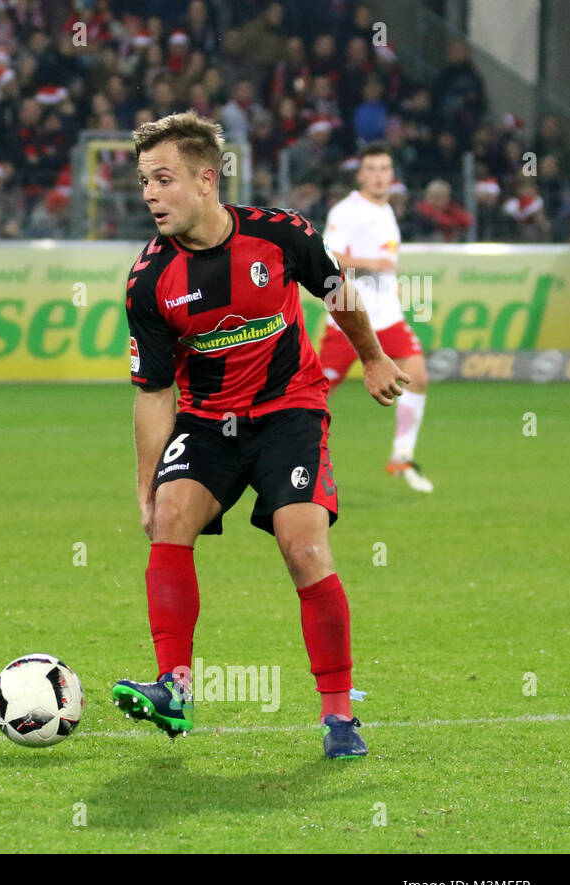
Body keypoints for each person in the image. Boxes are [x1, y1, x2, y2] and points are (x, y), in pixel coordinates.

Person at [113, 112, 409, 759]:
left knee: (302, 548)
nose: (149, 196)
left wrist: (374, 356)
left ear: (205, 180)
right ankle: (174, 689)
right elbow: (154, 392)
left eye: (162, 180)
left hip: (288, 412)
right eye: (142, 183)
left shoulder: (278, 234)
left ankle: (338, 717)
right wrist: (146, 484)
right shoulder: (149, 280)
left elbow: (337, 291)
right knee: (170, 515)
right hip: (206, 419)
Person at [318, 143, 433, 491]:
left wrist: (388, 283)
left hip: (387, 318)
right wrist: (372, 266)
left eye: (385, 168)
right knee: (314, 396)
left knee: (418, 376)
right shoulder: (347, 211)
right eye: (373, 168)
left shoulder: (386, 210)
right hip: (349, 319)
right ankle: (274, 454)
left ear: (392, 175)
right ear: (361, 175)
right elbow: (328, 256)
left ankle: (401, 457)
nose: (380, 175)